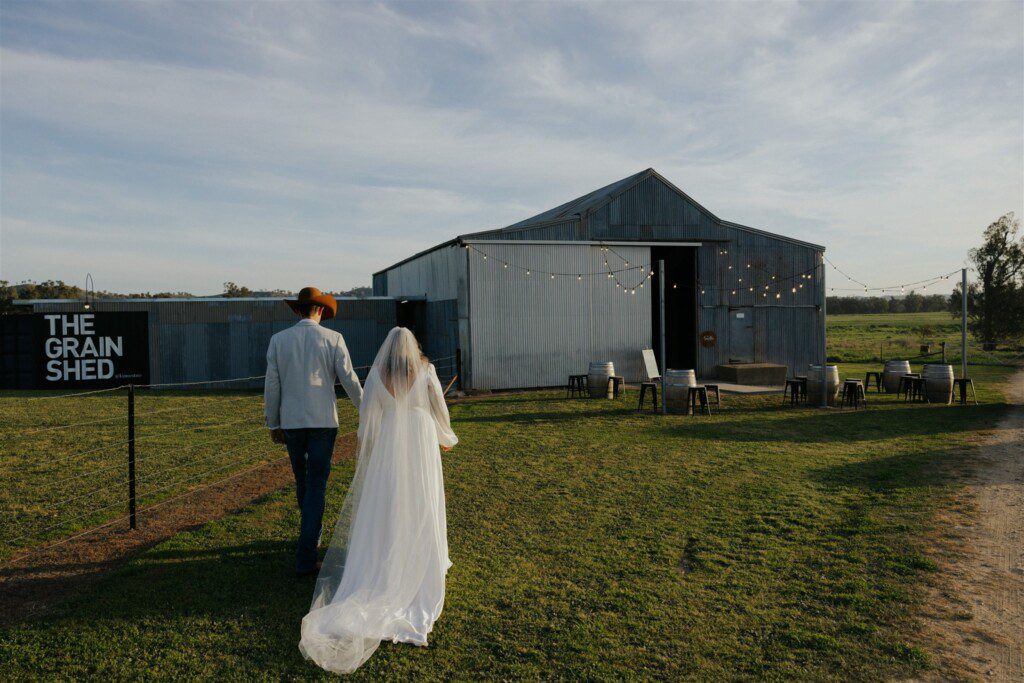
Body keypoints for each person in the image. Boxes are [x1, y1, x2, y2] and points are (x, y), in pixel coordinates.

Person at [299, 326, 458, 674]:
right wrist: (445, 436)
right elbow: (438, 407)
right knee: (420, 499)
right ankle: (422, 557)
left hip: (389, 440)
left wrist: (373, 442)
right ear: (413, 347)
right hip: (419, 439)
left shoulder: (377, 375)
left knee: (386, 503)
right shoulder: (427, 370)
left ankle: (383, 558)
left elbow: (367, 414)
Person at [264, 286, 363, 577]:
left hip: (292, 422)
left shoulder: (278, 341)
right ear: (320, 310)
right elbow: (349, 379)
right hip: (322, 422)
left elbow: (273, 384)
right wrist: (368, 409)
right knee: (316, 485)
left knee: (303, 481)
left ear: (297, 310)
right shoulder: (333, 339)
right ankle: (307, 555)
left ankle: (310, 538)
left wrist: (273, 422)